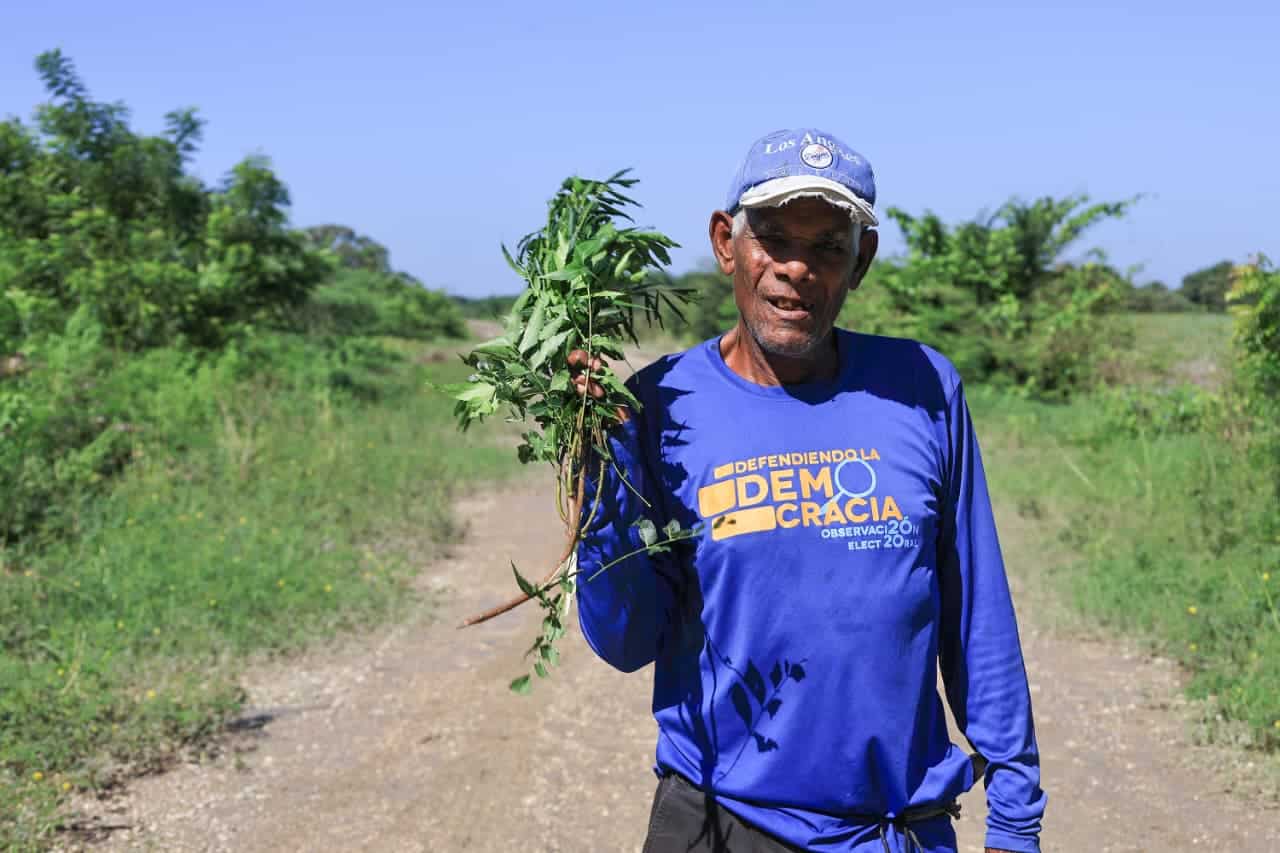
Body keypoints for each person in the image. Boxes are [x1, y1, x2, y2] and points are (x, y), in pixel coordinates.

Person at [571, 128, 1046, 853]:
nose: (796, 268)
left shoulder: (922, 387)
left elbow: (978, 620)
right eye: (774, 238)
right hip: (723, 824)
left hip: (897, 832)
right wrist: (602, 475)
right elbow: (626, 639)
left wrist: (1014, 821)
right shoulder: (658, 405)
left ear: (861, 260)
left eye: (828, 246)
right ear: (727, 242)